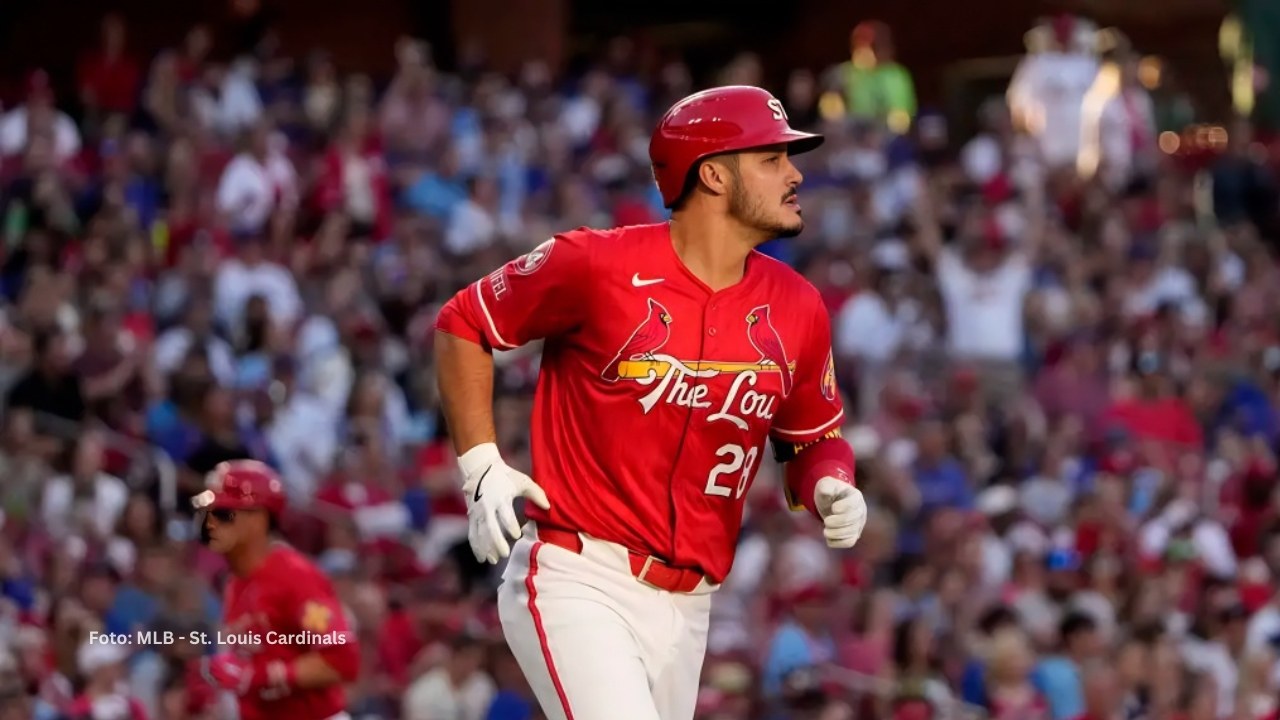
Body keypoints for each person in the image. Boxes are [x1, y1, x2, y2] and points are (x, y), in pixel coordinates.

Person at [434, 84, 869, 720]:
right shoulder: (594, 263)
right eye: (772, 158)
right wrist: (480, 466)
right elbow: (464, 322)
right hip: (579, 574)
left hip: (692, 606)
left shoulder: (799, 304)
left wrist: (832, 481)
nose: (794, 172)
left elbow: (812, 440)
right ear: (714, 174)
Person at [192, 459, 361, 720]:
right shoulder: (236, 581)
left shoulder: (295, 576)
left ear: (258, 519)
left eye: (224, 513)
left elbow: (342, 660)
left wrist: (262, 675)